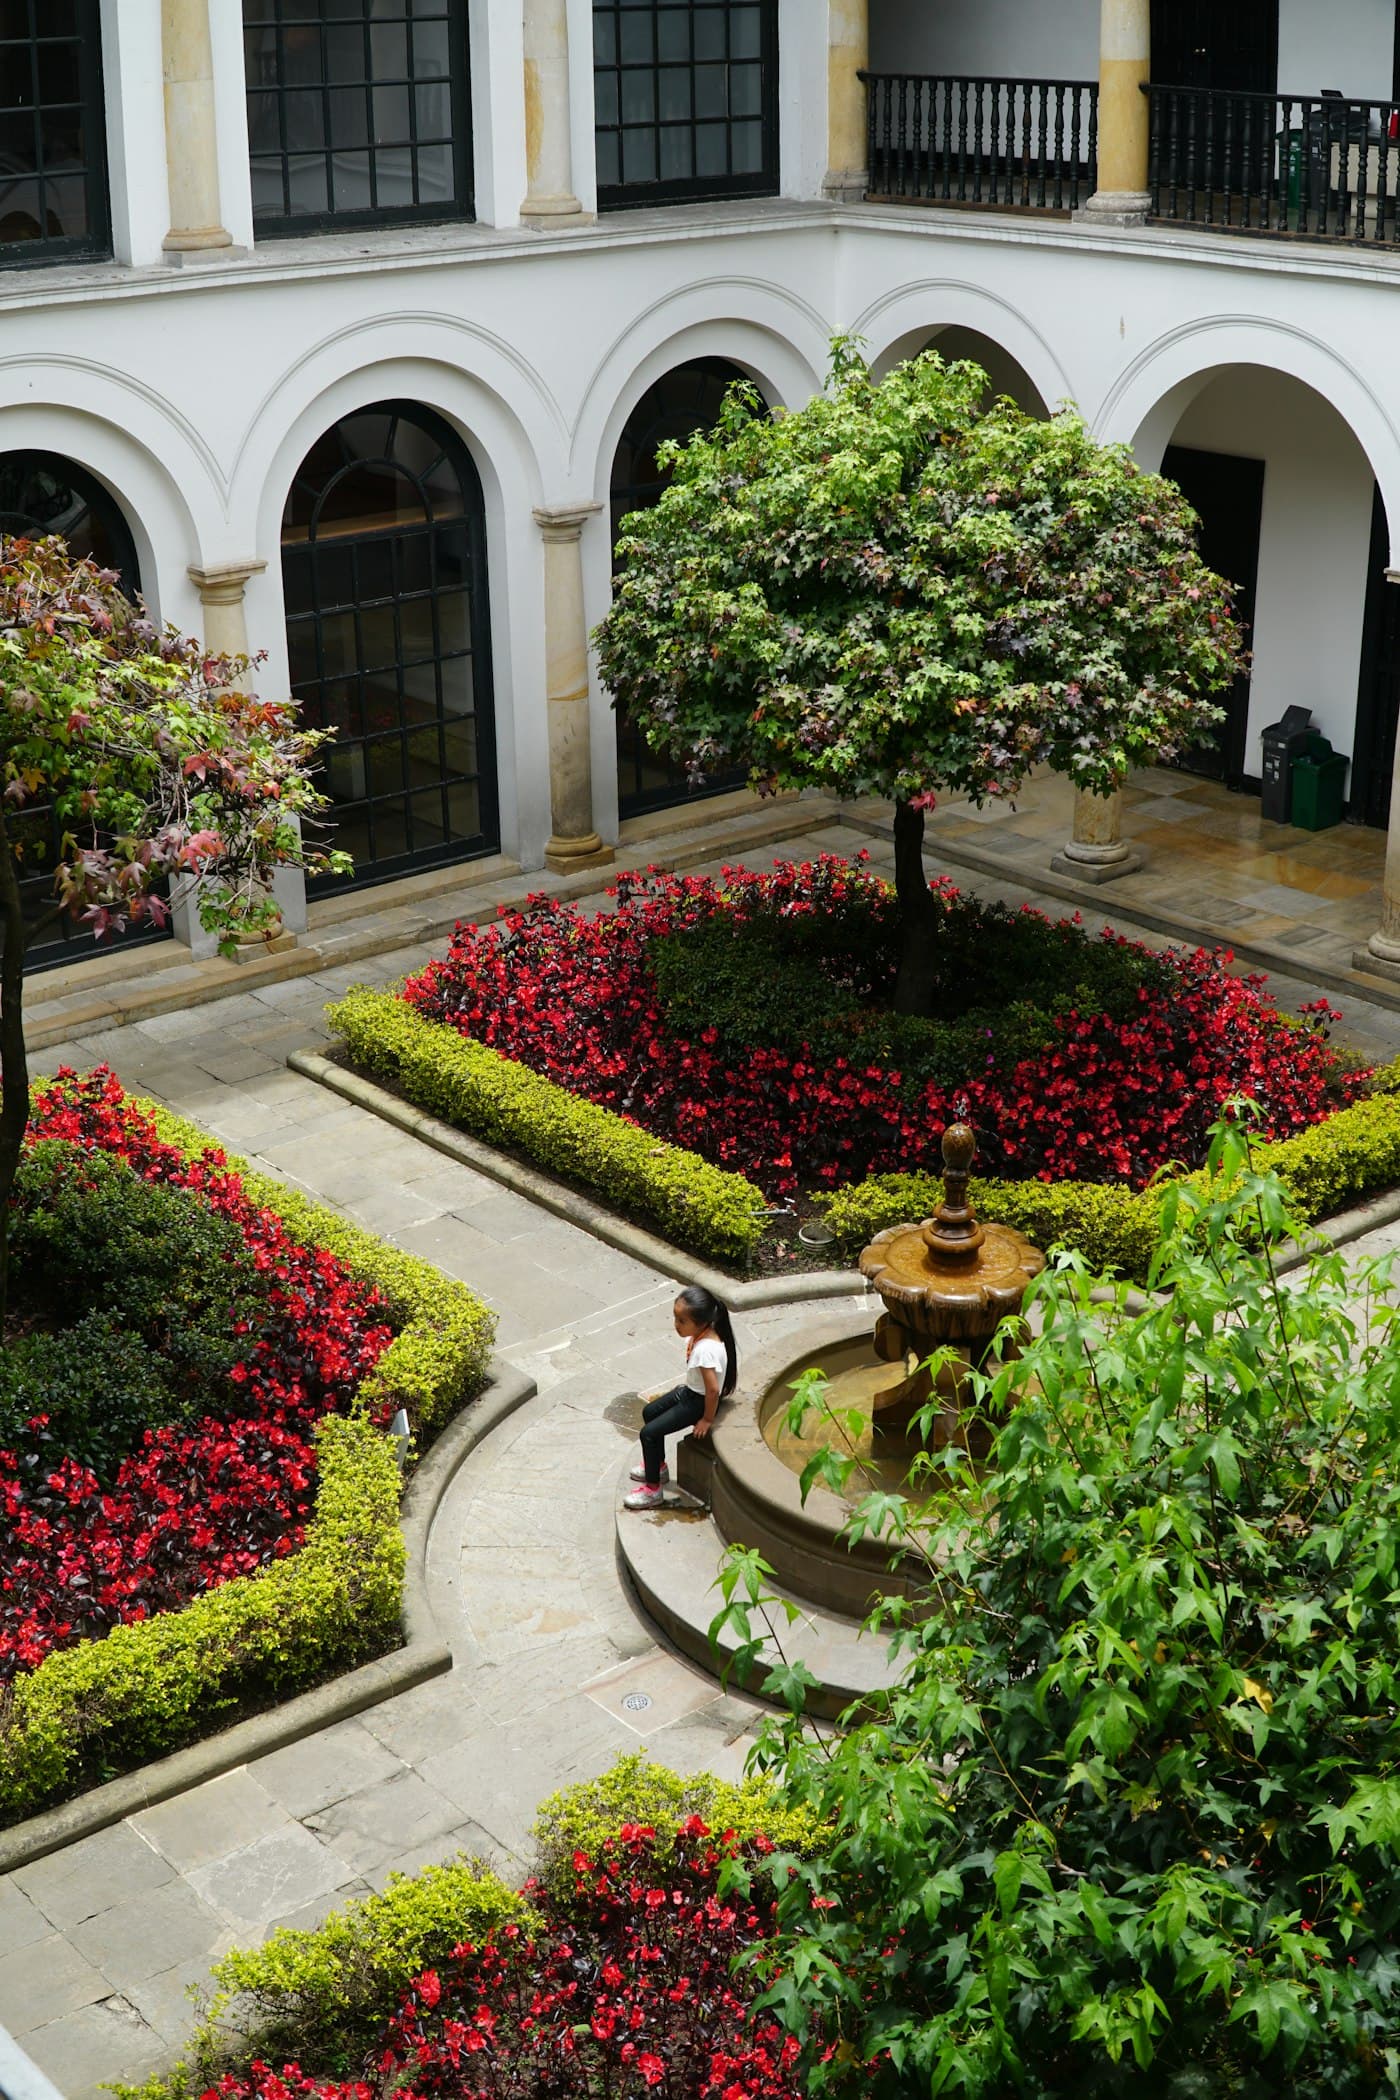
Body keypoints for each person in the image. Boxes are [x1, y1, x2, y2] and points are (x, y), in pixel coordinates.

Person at [622, 1285, 738, 1510]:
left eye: (682, 1321)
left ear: (701, 1322)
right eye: (675, 1318)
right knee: (649, 1412)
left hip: (697, 1402)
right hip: (689, 1391)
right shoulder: (702, 1335)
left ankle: (653, 1490)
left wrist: (706, 1419)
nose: (676, 1325)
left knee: (648, 1433)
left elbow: (712, 1390)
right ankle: (658, 1466)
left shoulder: (705, 1350)